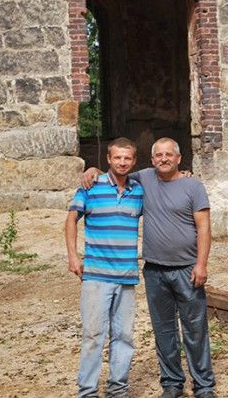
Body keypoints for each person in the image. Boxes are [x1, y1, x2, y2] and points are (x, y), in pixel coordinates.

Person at [82, 137, 215, 398]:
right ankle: (172, 383)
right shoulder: (143, 179)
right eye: (159, 155)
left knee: (195, 328)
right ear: (152, 159)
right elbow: (116, 172)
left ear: (179, 158)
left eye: (169, 154)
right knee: (164, 330)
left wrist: (201, 264)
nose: (164, 159)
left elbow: (204, 227)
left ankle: (204, 385)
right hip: (154, 270)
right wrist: (93, 170)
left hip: (187, 268)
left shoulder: (193, 185)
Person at [66, 137, 144, 398]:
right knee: (93, 336)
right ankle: (87, 391)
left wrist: (185, 175)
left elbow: (163, 184)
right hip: (96, 276)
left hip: (127, 277)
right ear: (108, 159)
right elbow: (71, 219)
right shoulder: (91, 187)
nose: (122, 162)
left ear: (134, 161)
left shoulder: (139, 191)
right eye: (117, 157)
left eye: (127, 158)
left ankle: (117, 390)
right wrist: (73, 256)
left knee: (124, 336)